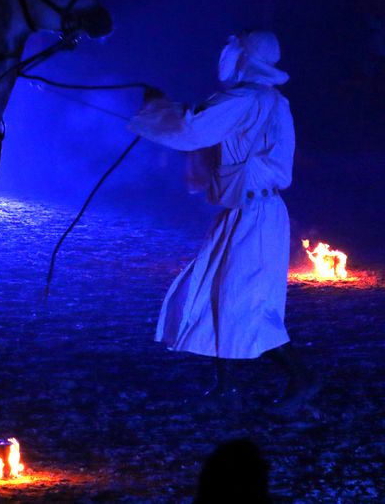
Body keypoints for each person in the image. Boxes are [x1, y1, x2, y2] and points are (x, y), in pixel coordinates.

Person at [127, 30, 318, 413]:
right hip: (248, 211)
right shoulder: (266, 99)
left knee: (246, 299)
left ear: (244, 57)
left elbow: (193, 129)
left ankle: (302, 377)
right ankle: (226, 387)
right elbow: (207, 121)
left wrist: (154, 110)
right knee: (222, 292)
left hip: (255, 213)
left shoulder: (246, 98)